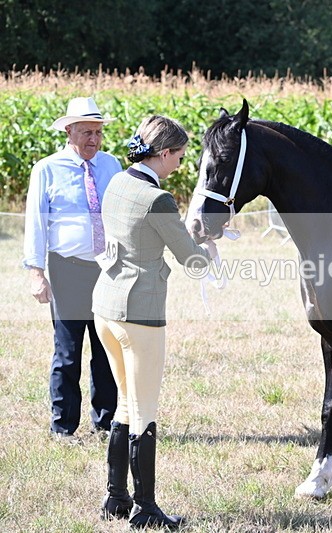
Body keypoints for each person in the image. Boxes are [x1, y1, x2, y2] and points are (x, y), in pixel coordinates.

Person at [92, 115, 214, 529]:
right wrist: (209, 246)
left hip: (105, 307)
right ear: (163, 154)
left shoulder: (116, 182)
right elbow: (191, 260)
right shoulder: (158, 199)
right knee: (144, 411)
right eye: (178, 156)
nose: (180, 163)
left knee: (125, 404)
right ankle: (145, 509)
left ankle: (116, 498)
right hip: (140, 314)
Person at [23, 96, 121, 443]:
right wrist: (36, 273)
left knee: (106, 348)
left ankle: (106, 423)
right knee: (67, 352)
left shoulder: (112, 166)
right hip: (67, 270)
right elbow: (36, 223)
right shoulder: (46, 169)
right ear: (69, 131)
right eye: (85, 133)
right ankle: (63, 427)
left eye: (97, 133)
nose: (93, 140)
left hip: (107, 269)